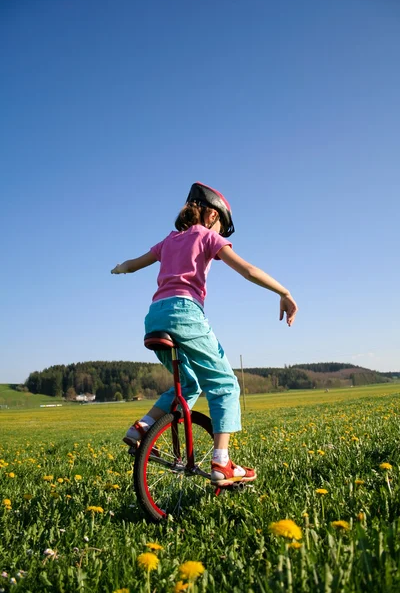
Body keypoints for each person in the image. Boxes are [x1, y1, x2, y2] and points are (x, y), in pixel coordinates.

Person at [111, 182, 298, 486]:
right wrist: (284, 291)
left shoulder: (168, 241)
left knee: (188, 384)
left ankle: (143, 427)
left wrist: (119, 268)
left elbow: (133, 265)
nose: (220, 234)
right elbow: (248, 270)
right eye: (221, 226)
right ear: (211, 215)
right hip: (186, 314)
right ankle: (222, 463)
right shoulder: (208, 236)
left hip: (155, 316)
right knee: (224, 383)